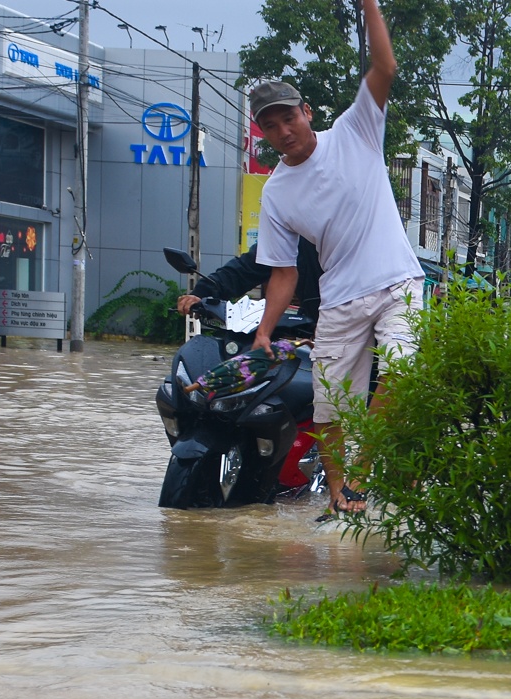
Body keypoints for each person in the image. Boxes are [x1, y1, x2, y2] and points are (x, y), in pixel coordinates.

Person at [247, 0, 423, 518]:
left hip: (397, 281)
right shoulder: (276, 193)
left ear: (308, 114)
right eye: (271, 126)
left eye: (289, 118)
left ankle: (361, 477)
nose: (283, 131)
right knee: (329, 407)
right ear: (264, 134)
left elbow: (384, 67)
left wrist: (368, 4)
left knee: (404, 372)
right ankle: (340, 494)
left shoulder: (356, 130)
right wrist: (264, 330)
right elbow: (283, 271)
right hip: (340, 298)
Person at [175, 238, 323, 328]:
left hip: (340, 324)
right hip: (316, 328)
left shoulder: (343, 229)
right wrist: (203, 293)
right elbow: (244, 269)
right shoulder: (293, 238)